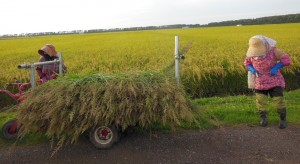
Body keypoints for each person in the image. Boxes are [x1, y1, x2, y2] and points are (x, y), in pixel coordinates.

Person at [244, 35, 291, 129]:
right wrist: (251, 69)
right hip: (259, 82)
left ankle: (282, 119)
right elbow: (247, 63)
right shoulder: (251, 54)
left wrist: (276, 67)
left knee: (278, 100)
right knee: (261, 101)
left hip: (275, 81)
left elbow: (287, 60)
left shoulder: (274, 50)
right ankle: (263, 118)